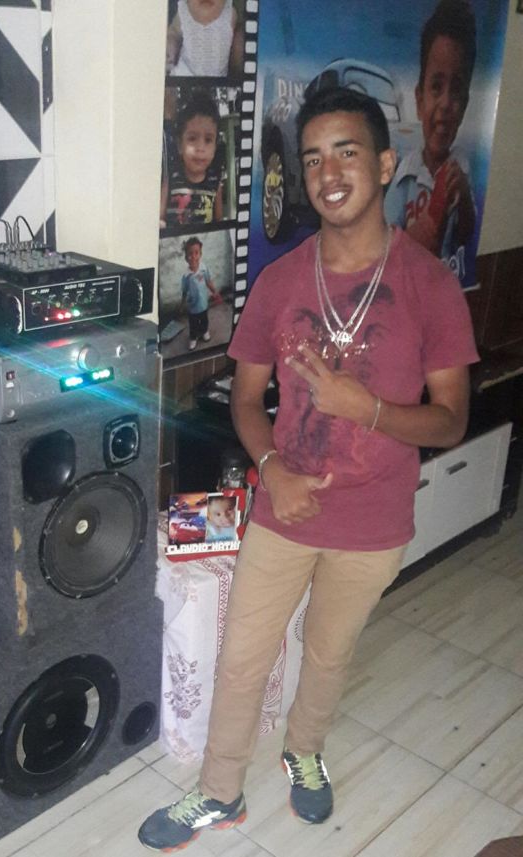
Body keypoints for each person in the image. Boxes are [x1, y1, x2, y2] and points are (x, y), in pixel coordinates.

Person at [139, 86, 478, 851]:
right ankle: (220, 792)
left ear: (385, 165)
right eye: (314, 158)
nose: (328, 173)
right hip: (284, 505)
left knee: (328, 654)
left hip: (375, 519)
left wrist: (369, 409)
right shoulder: (280, 281)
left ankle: (304, 751)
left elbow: (452, 418)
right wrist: (271, 468)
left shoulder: (429, 285)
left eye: (346, 153)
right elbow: (245, 399)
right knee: (242, 657)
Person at [385, 0, 476, 279]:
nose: (446, 103)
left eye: (456, 89)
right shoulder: (405, 176)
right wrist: (411, 238)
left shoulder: (462, 167)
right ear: (419, 99)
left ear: (465, 106)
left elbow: (465, 235)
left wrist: (463, 199)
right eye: (436, 86)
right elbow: (382, 246)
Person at [161, 91, 224, 227]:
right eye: (192, 138)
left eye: (208, 140)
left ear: (215, 146)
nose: (200, 148)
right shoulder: (170, 178)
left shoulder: (215, 182)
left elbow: (219, 224)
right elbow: (160, 219)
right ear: (179, 145)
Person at [166, 0, 244, 78]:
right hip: (185, 73)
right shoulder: (184, 11)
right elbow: (174, 33)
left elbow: (238, 41)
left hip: (219, 78)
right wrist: (171, 46)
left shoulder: (229, 13)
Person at [180, 236, 221, 350]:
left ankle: (204, 331)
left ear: (200, 254)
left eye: (196, 253)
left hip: (203, 303)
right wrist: (182, 304)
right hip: (192, 306)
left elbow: (208, 281)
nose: (193, 256)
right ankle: (193, 338)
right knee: (193, 323)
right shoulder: (186, 276)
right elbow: (184, 291)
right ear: (186, 258)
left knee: (204, 319)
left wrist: (215, 291)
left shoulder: (203, 269)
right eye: (190, 254)